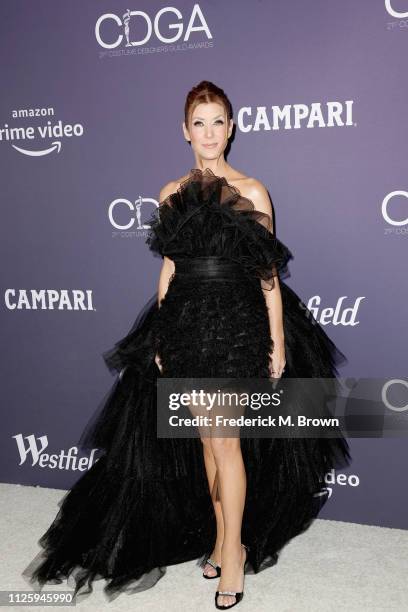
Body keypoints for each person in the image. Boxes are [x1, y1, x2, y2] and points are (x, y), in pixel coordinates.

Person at [22, 80, 351, 609]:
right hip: (185, 325)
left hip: (235, 325)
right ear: (185, 131)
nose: (210, 132)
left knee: (227, 442)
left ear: (232, 127)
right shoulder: (170, 193)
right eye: (199, 122)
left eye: (218, 121)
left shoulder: (253, 191)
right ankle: (221, 542)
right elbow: (169, 268)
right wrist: (159, 329)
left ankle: (236, 553)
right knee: (204, 442)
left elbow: (266, 274)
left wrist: (277, 342)